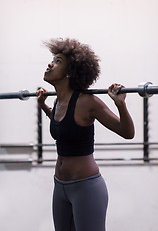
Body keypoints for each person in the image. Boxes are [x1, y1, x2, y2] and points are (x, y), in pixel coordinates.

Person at [36, 38, 135, 231]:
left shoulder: (88, 102)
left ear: (70, 72)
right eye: (52, 59)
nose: (50, 63)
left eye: (58, 61)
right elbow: (63, 126)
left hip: (86, 188)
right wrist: (43, 106)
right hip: (60, 186)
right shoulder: (58, 101)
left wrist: (120, 104)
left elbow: (127, 132)